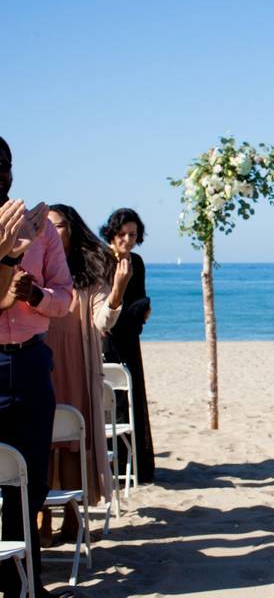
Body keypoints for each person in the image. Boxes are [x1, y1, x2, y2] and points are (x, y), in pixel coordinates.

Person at [0, 135, 73, 598]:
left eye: (3, 163)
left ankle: (27, 580)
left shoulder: (41, 228)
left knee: (31, 480)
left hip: (28, 363)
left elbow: (64, 297)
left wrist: (35, 297)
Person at [40, 205, 131, 543]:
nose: (50, 232)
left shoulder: (91, 272)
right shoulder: (34, 266)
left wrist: (119, 288)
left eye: (58, 226)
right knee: (43, 440)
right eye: (45, 226)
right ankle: (41, 514)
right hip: (42, 362)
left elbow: (103, 322)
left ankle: (74, 514)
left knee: (72, 441)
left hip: (77, 363)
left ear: (72, 229)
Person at [100, 208, 155, 483]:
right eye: (122, 234)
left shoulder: (138, 261)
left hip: (130, 334)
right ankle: (109, 464)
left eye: (133, 234)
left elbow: (140, 296)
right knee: (111, 400)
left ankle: (134, 465)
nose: (127, 240)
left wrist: (143, 309)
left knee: (131, 396)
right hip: (106, 333)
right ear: (113, 233)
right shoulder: (100, 259)